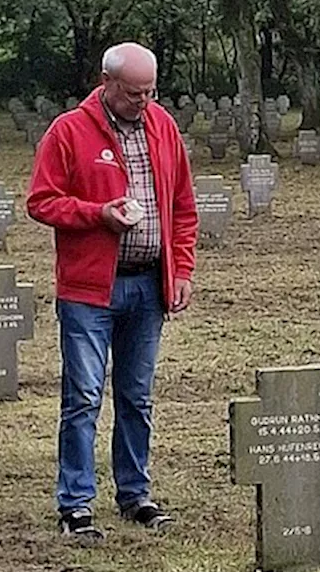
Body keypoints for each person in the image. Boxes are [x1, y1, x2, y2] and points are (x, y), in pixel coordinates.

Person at [27, 42, 198, 542]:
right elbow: (41, 201)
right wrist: (97, 215)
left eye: (150, 91)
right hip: (89, 290)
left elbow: (183, 208)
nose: (144, 101)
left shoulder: (163, 127)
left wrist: (181, 269)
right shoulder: (69, 131)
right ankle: (76, 503)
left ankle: (135, 494)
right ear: (106, 82)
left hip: (148, 284)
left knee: (136, 396)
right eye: (133, 93)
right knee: (82, 396)